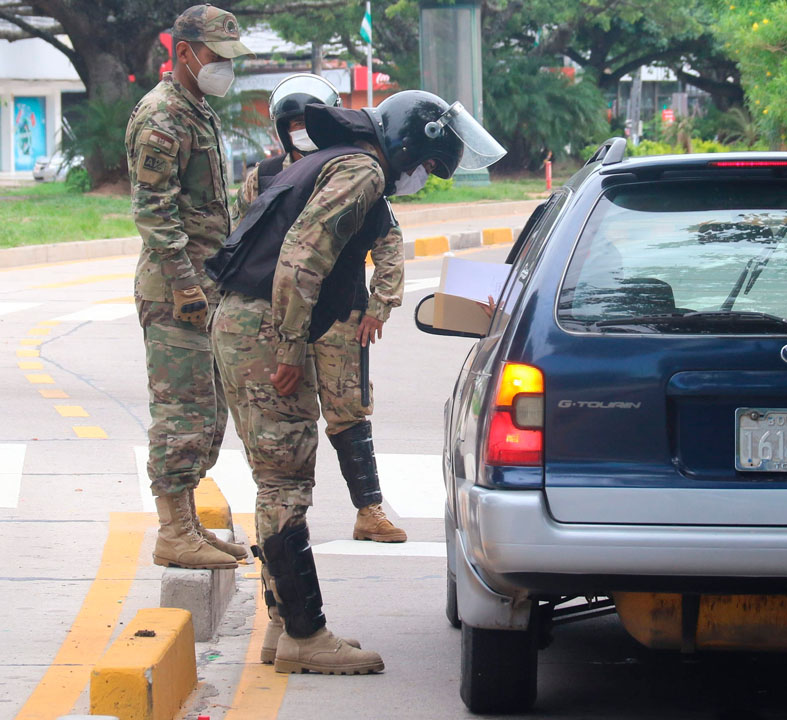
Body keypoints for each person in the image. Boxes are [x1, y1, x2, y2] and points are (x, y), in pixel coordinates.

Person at [206, 90, 505, 674]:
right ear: (405, 145)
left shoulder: (333, 160)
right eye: (424, 166)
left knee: (275, 482)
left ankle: (283, 627)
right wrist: (291, 345)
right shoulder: (362, 169)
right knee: (286, 482)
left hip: (245, 321)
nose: (420, 178)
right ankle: (303, 634)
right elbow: (301, 254)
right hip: (266, 327)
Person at [235, 74, 408, 544]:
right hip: (276, 319)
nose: (300, 131)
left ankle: (369, 511)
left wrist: (380, 304)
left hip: (341, 315)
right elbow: (242, 239)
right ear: (279, 129)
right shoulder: (264, 178)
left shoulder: (351, 170)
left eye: (306, 122)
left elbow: (388, 242)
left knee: (348, 410)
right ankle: (283, 520)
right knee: (281, 422)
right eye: (291, 124)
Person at [126, 3, 251, 570]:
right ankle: (173, 533)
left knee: (208, 410)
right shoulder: (161, 117)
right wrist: (184, 286)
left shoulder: (195, 107)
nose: (225, 67)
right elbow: (154, 213)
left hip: (205, 283)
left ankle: (191, 525)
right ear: (184, 53)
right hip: (177, 290)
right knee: (182, 411)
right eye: (217, 56)